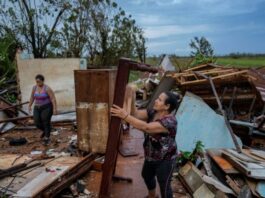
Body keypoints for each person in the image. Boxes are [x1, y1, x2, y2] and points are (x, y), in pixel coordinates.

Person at [111, 91, 179, 198]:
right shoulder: (153, 112)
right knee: (147, 175)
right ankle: (152, 196)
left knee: (164, 186)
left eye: (160, 100)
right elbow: (135, 114)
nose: (156, 100)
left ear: (167, 106)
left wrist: (124, 115)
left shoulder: (170, 121)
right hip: (151, 156)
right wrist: (131, 96)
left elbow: (146, 128)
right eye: (157, 98)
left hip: (166, 159)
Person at [28, 74, 57, 145]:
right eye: (36, 81)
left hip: (47, 107)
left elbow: (53, 99)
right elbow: (32, 97)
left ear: (42, 81)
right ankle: (46, 131)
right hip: (37, 107)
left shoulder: (47, 88)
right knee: (37, 122)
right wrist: (30, 105)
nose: (37, 83)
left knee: (45, 121)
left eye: (39, 81)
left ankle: (47, 137)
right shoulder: (34, 88)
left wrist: (55, 109)